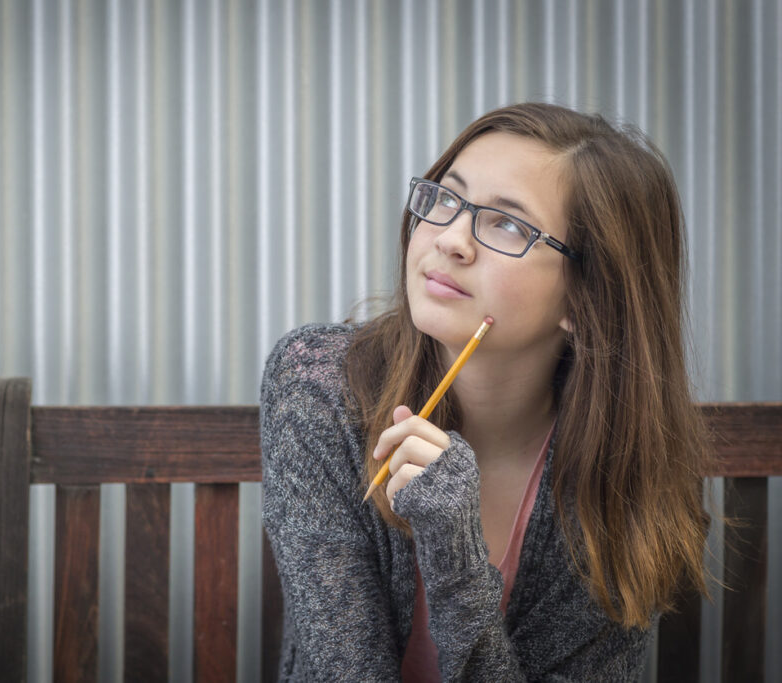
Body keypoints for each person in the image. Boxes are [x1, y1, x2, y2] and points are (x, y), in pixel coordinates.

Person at [259, 102, 710, 681]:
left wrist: (456, 551)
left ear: (585, 298)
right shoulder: (319, 386)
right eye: (447, 198)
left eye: (509, 225)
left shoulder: (618, 474)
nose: (450, 240)